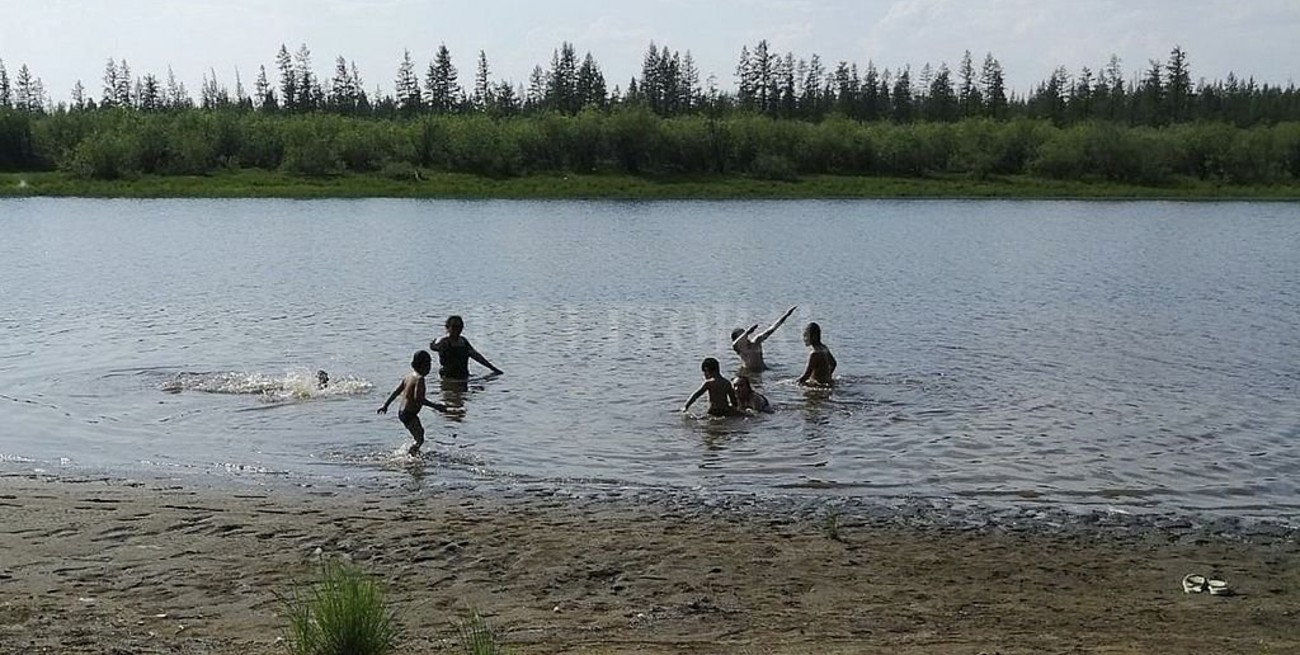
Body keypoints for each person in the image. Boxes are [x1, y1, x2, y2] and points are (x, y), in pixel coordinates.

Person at [377, 350, 453, 456]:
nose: (430, 368)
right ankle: (410, 456)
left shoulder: (408, 377)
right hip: (409, 414)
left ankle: (413, 454)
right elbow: (419, 399)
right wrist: (436, 406)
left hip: (403, 412)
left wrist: (386, 405)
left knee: (420, 433)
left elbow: (396, 392)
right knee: (420, 440)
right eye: (429, 365)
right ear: (424, 366)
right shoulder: (419, 379)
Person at [429, 315, 503, 381]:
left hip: (463, 375)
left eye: (459, 326)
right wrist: (435, 343)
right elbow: (433, 346)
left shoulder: (463, 341)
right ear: (447, 327)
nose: (457, 329)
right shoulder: (444, 342)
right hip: (449, 378)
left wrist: (494, 369)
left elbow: (476, 356)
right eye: (454, 326)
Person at [731, 305, 797, 371]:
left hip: (762, 369)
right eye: (742, 334)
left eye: (744, 333)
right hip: (749, 371)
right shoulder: (739, 349)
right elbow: (734, 344)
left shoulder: (756, 342)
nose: (745, 336)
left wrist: (786, 315)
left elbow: (772, 329)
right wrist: (747, 332)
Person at [796, 322, 837, 386]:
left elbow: (806, 375)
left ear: (814, 336)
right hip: (826, 383)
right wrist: (827, 376)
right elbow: (834, 364)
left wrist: (795, 383)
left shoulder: (814, 354)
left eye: (806, 336)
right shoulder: (824, 348)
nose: (804, 339)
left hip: (819, 386)